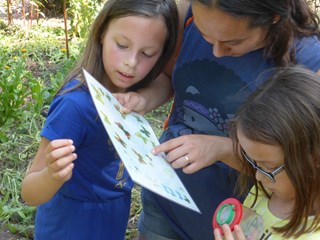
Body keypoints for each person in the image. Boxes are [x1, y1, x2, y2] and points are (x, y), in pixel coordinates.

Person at [116, 0, 320, 239]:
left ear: (273, 17)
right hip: (167, 198)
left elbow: (303, 162)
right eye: (205, 37)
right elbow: (170, 76)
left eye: (233, 42)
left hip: (238, 220)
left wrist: (221, 148)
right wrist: (145, 99)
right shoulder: (192, 13)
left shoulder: (309, 62)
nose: (217, 52)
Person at [20, 0, 178, 239]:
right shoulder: (75, 106)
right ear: (102, 33)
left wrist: (144, 99)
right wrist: (51, 176)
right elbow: (29, 192)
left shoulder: (131, 96)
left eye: (147, 53)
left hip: (112, 216)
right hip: (72, 225)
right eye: (122, 45)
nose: (131, 62)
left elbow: (167, 85)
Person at [213, 66, 320, 239]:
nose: (258, 177)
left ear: (315, 158)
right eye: (254, 163)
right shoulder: (265, 192)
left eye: (269, 167)